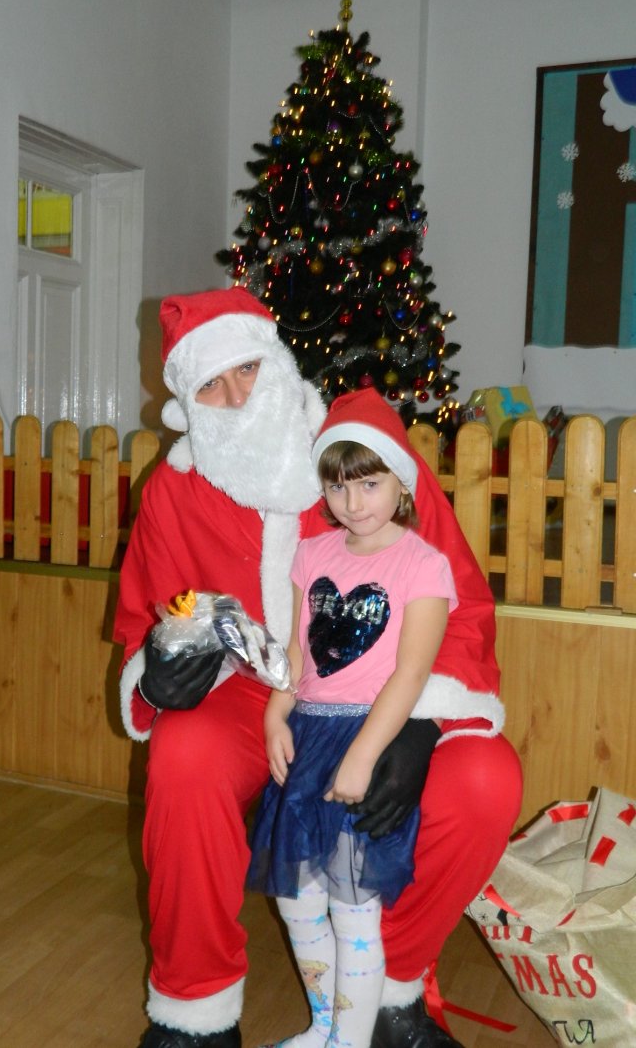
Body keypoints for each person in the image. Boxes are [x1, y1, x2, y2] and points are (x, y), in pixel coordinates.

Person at [113, 286, 522, 1048]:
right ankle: (196, 1012)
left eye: (247, 369)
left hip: (385, 688)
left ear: (277, 362)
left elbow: (459, 604)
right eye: (211, 384)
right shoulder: (173, 489)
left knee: (485, 779)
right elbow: (152, 614)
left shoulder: (365, 455)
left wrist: (421, 723)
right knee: (184, 754)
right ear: (186, 402)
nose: (238, 396)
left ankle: (392, 993)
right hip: (250, 693)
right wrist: (156, 667)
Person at [248, 387, 459, 1048]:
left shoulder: (424, 564)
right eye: (338, 486)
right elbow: (296, 651)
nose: (353, 502)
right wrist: (276, 715)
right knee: (296, 899)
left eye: (370, 483)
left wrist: (364, 755)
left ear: (402, 481)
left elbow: (411, 674)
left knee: (352, 909)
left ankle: (351, 1041)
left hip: (365, 737)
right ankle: (325, 1026)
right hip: (306, 736)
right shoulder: (312, 554)